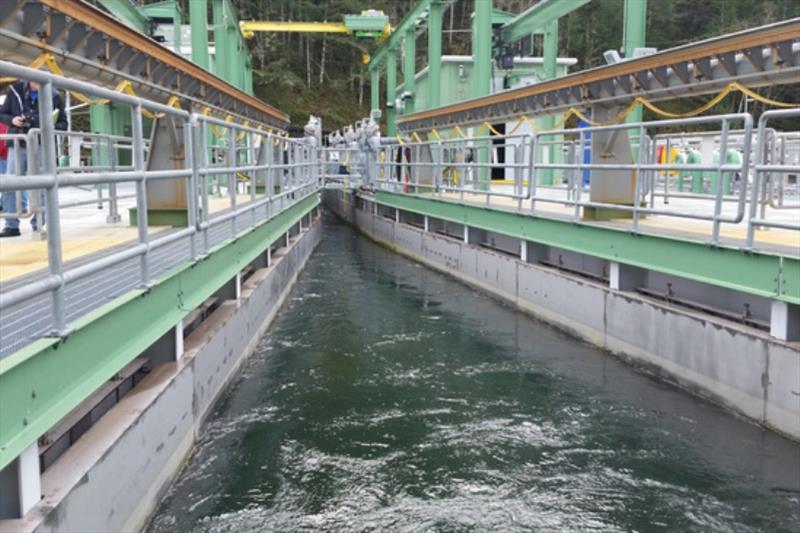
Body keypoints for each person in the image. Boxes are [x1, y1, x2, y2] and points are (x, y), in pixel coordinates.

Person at [0, 78, 67, 237]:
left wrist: (45, 126)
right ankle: (11, 225)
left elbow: (63, 124)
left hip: (40, 144)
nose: (37, 83)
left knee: (41, 185)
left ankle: (38, 223)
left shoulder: (55, 96)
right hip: (17, 143)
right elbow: (2, 113)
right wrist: (13, 120)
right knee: (11, 183)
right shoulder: (15, 90)